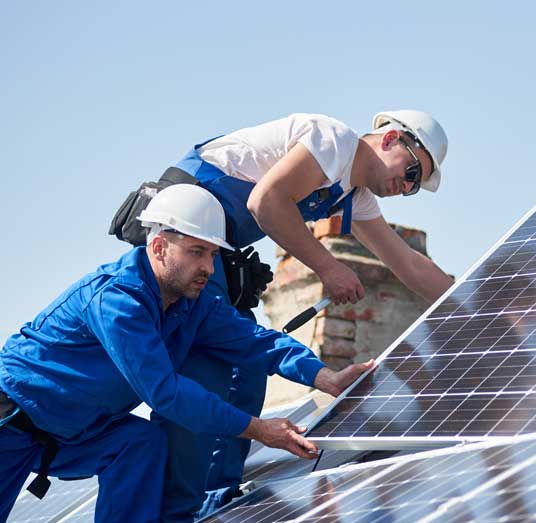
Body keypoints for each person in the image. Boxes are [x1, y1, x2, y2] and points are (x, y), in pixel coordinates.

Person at [111, 110, 455, 518]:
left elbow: (409, 265)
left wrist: (477, 306)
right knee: (207, 372)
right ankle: (176, 508)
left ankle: (217, 499)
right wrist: (328, 266)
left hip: (219, 251)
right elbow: (266, 202)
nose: (407, 186)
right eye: (413, 171)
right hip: (187, 240)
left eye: (415, 186)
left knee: (248, 374)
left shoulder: (353, 195)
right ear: (391, 138)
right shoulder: (334, 141)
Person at [0, 185, 371, 523]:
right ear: (159, 247)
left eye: (212, 254)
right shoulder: (116, 301)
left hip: (74, 432)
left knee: (139, 443)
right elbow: (166, 393)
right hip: (13, 422)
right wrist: (257, 429)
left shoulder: (191, 305)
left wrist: (326, 377)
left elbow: (257, 340)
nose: (209, 268)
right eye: (197, 252)